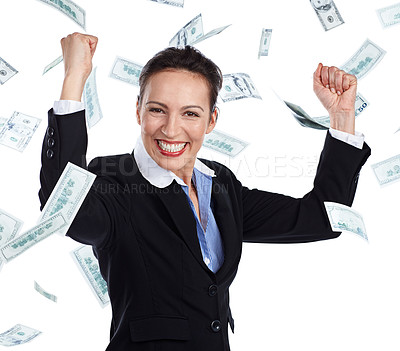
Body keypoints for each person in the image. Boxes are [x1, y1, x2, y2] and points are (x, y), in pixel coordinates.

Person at [39, 32, 371, 351]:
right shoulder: (113, 180)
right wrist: (74, 77)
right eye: (157, 109)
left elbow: (323, 218)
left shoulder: (220, 183)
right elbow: (63, 210)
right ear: (138, 109)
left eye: (190, 114)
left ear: (211, 121)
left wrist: (342, 117)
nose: (171, 129)